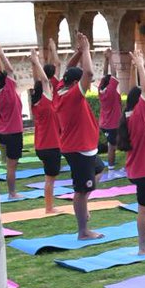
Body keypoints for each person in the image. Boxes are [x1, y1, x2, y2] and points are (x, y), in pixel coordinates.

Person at [54, 33, 104, 240]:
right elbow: (90, 73)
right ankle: (83, 231)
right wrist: (86, 50)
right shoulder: (73, 96)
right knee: (81, 191)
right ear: (76, 82)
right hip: (79, 148)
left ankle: (83, 207)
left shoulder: (60, 89)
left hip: (82, 147)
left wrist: (80, 52)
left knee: (99, 171)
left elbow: (69, 69)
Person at [118, 47, 145, 255]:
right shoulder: (139, 116)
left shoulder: (129, 114)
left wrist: (138, 64)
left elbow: (138, 87)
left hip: (137, 170)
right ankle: (143, 247)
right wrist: (141, 64)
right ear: (140, 102)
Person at [0, 36, 24, 198]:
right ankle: (12, 193)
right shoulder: (9, 88)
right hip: (13, 133)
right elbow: (7, 70)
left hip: (1, 133)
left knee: (6, 163)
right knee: (11, 167)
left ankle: (8, 191)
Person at [27, 50, 61, 213]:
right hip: (51, 145)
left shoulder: (36, 103)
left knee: (49, 178)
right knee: (50, 179)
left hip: (40, 146)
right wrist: (36, 61)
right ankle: (49, 208)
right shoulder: (47, 101)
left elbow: (39, 81)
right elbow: (44, 80)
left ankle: (49, 205)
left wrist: (34, 63)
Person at [97, 49, 123, 169]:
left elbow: (105, 75)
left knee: (111, 144)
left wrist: (106, 60)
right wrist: (111, 57)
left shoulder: (101, 90)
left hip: (104, 123)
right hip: (112, 124)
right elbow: (114, 74)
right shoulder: (111, 91)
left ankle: (111, 165)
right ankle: (111, 167)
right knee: (113, 146)